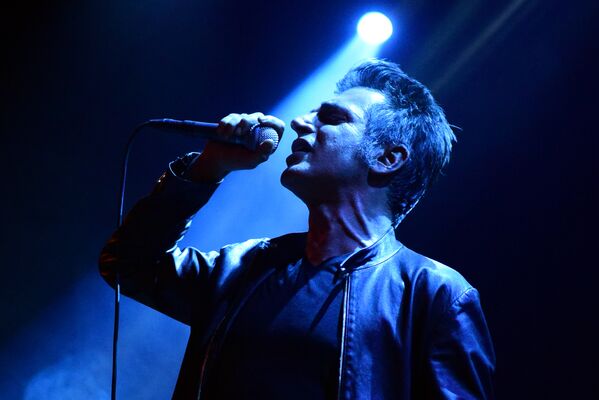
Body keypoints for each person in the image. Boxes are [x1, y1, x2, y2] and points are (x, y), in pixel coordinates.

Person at [100, 59, 495, 399]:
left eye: (332, 118)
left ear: (387, 157)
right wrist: (207, 169)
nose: (299, 122)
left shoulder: (435, 296)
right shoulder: (244, 268)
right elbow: (128, 264)